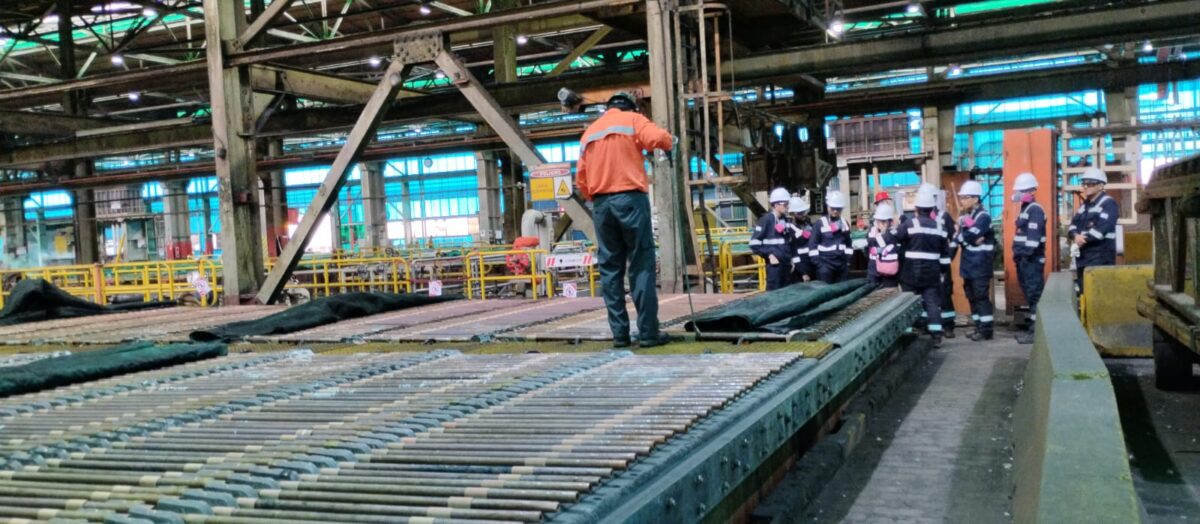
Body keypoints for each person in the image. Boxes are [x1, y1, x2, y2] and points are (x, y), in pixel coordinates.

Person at [574, 91, 674, 348]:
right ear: (631, 107)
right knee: (640, 264)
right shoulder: (633, 120)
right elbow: (658, 139)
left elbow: (581, 179)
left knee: (610, 269)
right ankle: (649, 334)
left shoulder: (590, 132)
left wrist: (597, 198)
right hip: (630, 201)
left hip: (601, 205)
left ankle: (620, 335)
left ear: (607, 108)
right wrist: (670, 141)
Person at [893, 191, 950, 347]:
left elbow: (897, 238)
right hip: (932, 273)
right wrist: (942, 271)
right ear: (932, 208)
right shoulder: (940, 227)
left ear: (916, 208)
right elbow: (945, 255)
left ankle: (909, 333)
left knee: (908, 302)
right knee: (932, 303)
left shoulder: (910, 224)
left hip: (911, 272)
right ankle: (936, 335)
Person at [917, 183, 958, 338]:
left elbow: (954, 239)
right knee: (927, 296)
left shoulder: (944, 217)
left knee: (944, 293)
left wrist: (948, 257)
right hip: (927, 265)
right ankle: (929, 325)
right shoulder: (918, 219)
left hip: (941, 263)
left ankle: (948, 325)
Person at [956, 180, 996, 341]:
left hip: (980, 266)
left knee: (981, 297)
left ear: (975, 198)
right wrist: (967, 236)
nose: (962, 201)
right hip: (970, 266)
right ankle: (978, 327)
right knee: (972, 297)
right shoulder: (970, 216)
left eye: (965, 198)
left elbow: (970, 234)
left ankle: (986, 330)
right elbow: (966, 237)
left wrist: (966, 236)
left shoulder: (983, 216)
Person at [1069, 167, 1118, 294]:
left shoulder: (1108, 204)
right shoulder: (1085, 205)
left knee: (1099, 294)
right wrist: (1075, 236)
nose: (1086, 186)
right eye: (1084, 183)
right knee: (1085, 292)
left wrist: (1082, 239)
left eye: (1090, 183)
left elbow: (1102, 229)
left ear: (1101, 185)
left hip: (1100, 258)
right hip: (1084, 258)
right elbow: (1073, 225)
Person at [1011, 172, 1046, 345]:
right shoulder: (1025, 209)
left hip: (1030, 261)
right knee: (1030, 294)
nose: (1017, 194)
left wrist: (1024, 256)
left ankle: (1036, 332)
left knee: (1034, 296)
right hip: (1024, 260)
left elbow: (1032, 239)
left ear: (1032, 191)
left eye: (1021, 190)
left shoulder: (1035, 210)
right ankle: (1033, 330)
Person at [750, 188, 794, 291]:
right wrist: (769, 255)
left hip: (786, 265)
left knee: (786, 295)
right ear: (776, 204)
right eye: (785, 204)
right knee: (773, 294)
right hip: (775, 267)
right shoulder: (766, 220)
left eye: (788, 204)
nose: (787, 206)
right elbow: (754, 244)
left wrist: (791, 260)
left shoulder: (784, 220)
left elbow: (787, 243)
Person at [809, 190, 853, 283]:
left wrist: (847, 260)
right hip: (825, 265)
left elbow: (849, 243)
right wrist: (819, 265)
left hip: (841, 264)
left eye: (838, 209)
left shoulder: (845, 223)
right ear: (828, 207)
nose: (835, 211)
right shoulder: (820, 224)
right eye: (833, 208)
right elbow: (812, 246)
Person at [867, 203, 900, 289]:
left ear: (890, 222)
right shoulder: (872, 233)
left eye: (884, 221)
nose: (881, 224)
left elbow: (887, 241)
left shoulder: (894, 233)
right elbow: (869, 245)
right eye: (879, 221)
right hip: (874, 272)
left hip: (889, 274)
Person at [787, 195, 814, 283]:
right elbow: (794, 252)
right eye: (800, 213)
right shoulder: (790, 229)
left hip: (812, 264)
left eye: (804, 212)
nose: (803, 215)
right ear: (792, 214)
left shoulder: (808, 225)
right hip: (801, 268)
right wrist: (803, 272)